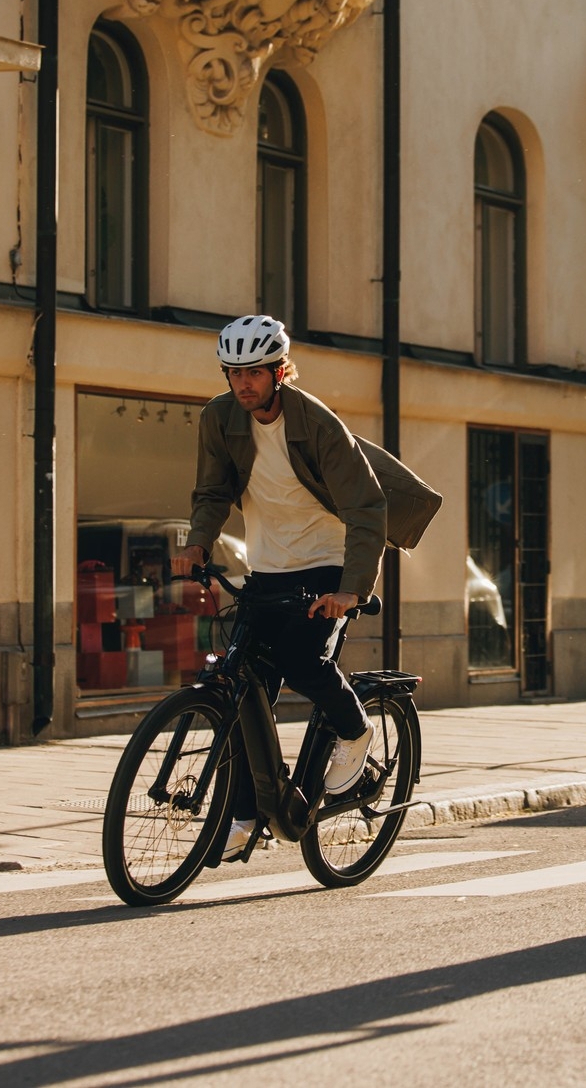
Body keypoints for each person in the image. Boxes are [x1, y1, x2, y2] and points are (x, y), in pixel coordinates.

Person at [188, 314, 385, 857]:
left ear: (279, 372)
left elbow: (367, 507)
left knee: (302, 662)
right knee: (244, 691)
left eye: (254, 372)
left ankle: (355, 732)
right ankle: (246, 814)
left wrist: (351, 590)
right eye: (235, 373)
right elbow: (212, 492)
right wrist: (197, 543)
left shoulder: (316, 423)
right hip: (267, 567)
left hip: (325, 563)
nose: (243, 383)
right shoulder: (219, 418)